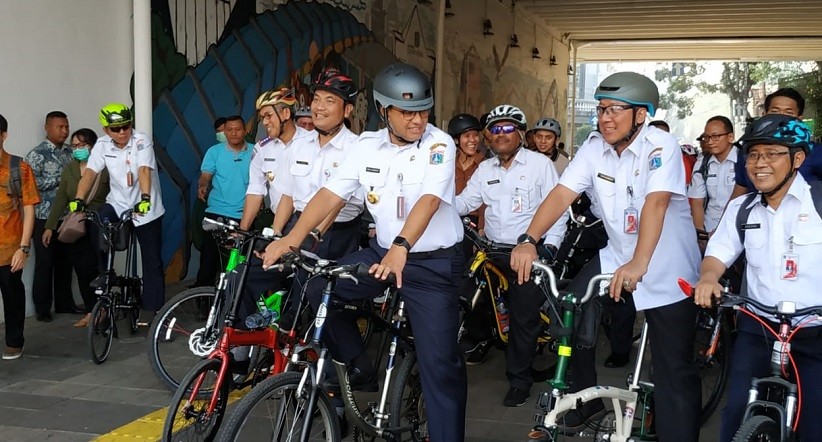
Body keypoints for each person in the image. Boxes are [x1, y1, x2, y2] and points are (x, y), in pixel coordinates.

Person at [261, 62, 467, 441]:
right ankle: (358, 362)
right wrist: (291, 239)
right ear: (383, 110)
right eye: (407, 112)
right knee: (317, 285)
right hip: (381, 254)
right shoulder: (367, 146)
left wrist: (403, 246)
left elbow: (429, 199)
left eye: (423, 110)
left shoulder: (440, 144)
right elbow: (331, 193)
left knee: (440, 366)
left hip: (432, 265)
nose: (418, 119)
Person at [510, 72, 701, 441]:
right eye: (601, 109)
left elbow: (656, 203)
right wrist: (529, 239)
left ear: (641, 115)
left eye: (616, 110)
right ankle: (588, 400)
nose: (605, 117)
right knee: (571, 307)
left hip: (665, 263)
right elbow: (563, 193)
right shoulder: (594, 146)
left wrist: (640, 263)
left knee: (673, 368)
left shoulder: (660, 146)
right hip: (617, 254)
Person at [694, 114, 822, 441]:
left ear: (797, 159)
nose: (759, 163)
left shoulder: (818, 202)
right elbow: (717, 253)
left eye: (772, 154)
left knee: (813, 421)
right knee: (736, 412)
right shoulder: (743, 207)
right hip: (759, 326)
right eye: (753, 154)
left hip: (813, 331)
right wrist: (709, 277)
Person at [455, 104, 567, 407]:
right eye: (494, 129)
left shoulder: (539, 165)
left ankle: (519, 378)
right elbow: (463, 203)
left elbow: (557, 209)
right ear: (488, 137)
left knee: (522, 316)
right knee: (465, 294)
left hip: (526, 253)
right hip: (491, 249)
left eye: (508, 128)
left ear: (519, 134)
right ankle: (474, 344)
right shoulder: (485, 169)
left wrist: (549, 247)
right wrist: (432, 206)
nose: (500, 134)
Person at [68, 103, 166, 316]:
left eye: (126, 126)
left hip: (146, 207)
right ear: (105, 130)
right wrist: (78, 199)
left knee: (152, 261)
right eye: (116, 129)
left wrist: (146, 197)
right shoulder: (102, 145)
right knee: (98, 222)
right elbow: (90, 174)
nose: (122, 132)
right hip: (118, 202)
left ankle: (154, 311)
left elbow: (143, 170)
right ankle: (106, 273)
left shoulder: (141, 140)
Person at [44, 128, 109, 327]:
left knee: (101, 268)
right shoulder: (70, 170)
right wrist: (50, 226)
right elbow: (61, 198)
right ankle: (91, 310)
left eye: (83, 145)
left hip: (100, 223)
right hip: (77, 224)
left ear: (93, 146)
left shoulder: (104, 168)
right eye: (75, 146)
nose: (78, 149)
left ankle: (105, 308)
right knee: (82, 268)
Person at [25, 111, 77, 322]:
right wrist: (62, 180)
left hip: (68, 217)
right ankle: (42, 308)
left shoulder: (71, 152)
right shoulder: (37, 154)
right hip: (43, 218)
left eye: (66, 126)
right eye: (59, 127)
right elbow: (31, 186)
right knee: (45, 263)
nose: (64, 131)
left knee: (66, 262)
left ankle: (65, 304)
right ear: (47, 128)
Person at [192, 115, 252, 287]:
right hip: (216, 212)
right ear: (224, 132)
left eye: (238, 129)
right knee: (208, 259)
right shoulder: (214, 151)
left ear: (245, 130)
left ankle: (237, 299)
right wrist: (203, 185)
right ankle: (203, 299)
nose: (233, 133)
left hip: (244, 213)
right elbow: (205, 175)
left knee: (242, 261)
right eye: (229, 129)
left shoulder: (256, 152)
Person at [731, 87, 822, 199]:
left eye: (789, 113)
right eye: (774, 112)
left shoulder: (817, 153)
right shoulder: (749, 152)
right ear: (764, 114)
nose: (780, 117)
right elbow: (740, 190)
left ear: (799, 119)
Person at [238, 88, 307, 232]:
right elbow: (255, 189)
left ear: (286, 113)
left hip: (307, 223)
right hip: (278, 221)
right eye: (262, 117)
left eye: (268, 115)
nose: (264, 122)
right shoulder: (262, 147)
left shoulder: (311, 143)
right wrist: (242, 230)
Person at [0, 114, 40, 359]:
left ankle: (14, 341)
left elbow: (29, 208)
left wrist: (24, 248)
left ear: (3, 135)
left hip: (9, 247)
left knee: (12, 295)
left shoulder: (19, 168)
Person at [689, 116, 738, 234]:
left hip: (738, 227)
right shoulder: (702, 164)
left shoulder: (744, 161)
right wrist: (701, 234)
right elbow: (697, 202)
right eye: (706, 137)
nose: (710, 142)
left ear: (730, 137)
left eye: (715, 137)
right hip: (710, 229)